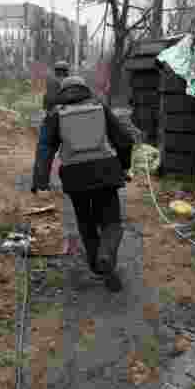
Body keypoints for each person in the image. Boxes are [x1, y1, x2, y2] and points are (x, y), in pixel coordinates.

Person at [31, 74, 137, 293]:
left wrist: (40, 180)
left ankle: (97, 265)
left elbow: (44, 148)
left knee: (86, 222)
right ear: (85, 90)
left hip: (74, 176)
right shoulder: (100, 107)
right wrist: (124, 165)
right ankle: (106, 254)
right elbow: (124, 140)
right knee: (111, 222)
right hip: (105, 171)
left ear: (63, 93)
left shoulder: (56, 114)